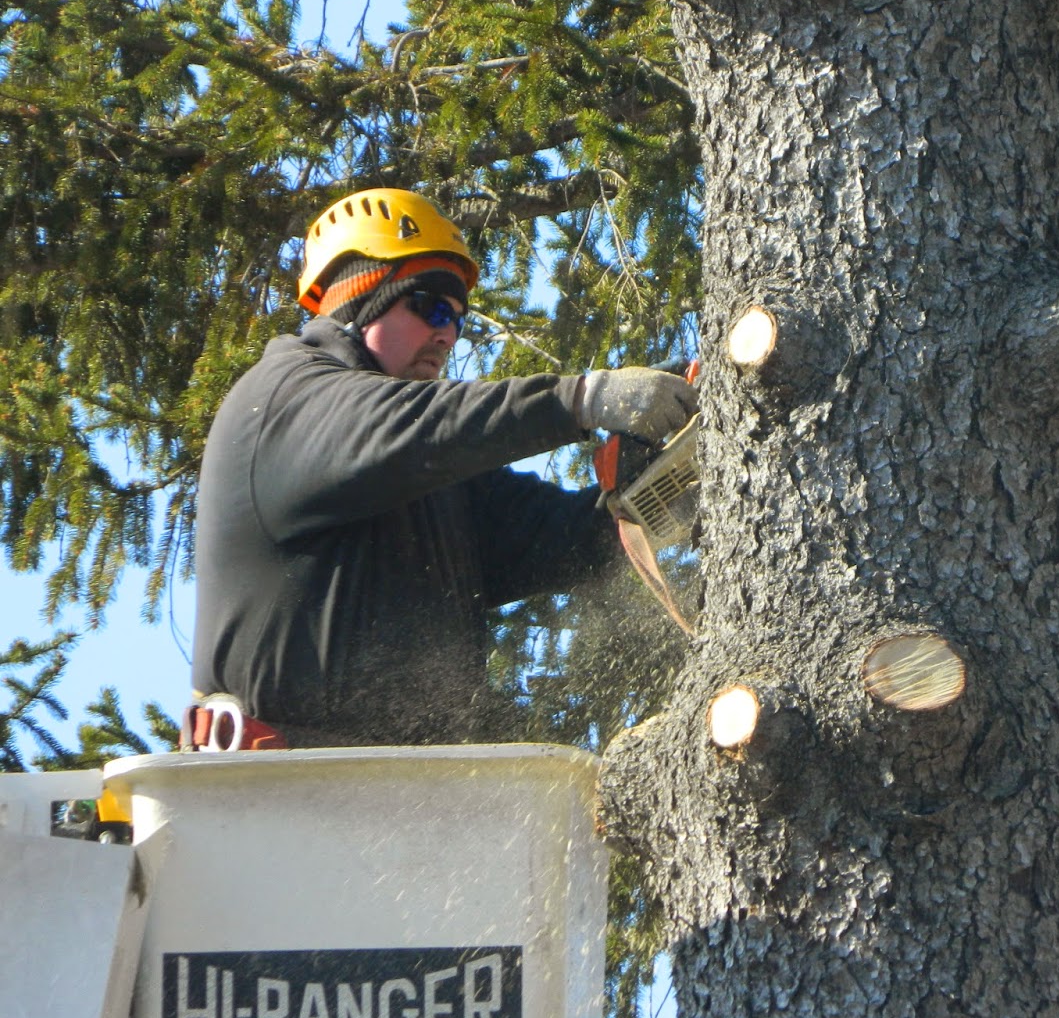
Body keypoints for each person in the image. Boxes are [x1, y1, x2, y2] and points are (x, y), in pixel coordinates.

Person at [190, 188, 696, 746]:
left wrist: (661, 491)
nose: (447, 333)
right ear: (361, 298)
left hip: (405, 795)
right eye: (429, 306)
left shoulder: (430, 481)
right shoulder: (285, 398)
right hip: (268, 796)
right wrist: (580, 400)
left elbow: (557, 540)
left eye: (457, 319)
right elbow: (408, 425)